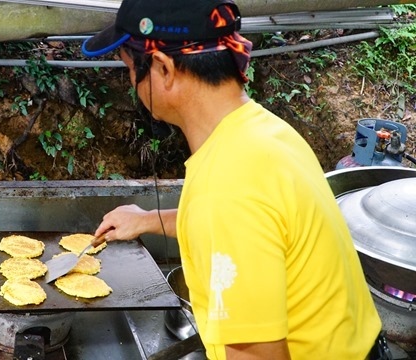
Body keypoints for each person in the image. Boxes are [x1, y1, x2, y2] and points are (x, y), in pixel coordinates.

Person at [82, 0, 387, 359]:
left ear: (163, 69)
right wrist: (147, 220)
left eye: (131, 70)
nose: (133, 83)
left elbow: (257, 354)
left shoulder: (229, 186)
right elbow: (257, 228)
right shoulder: (264, 132)